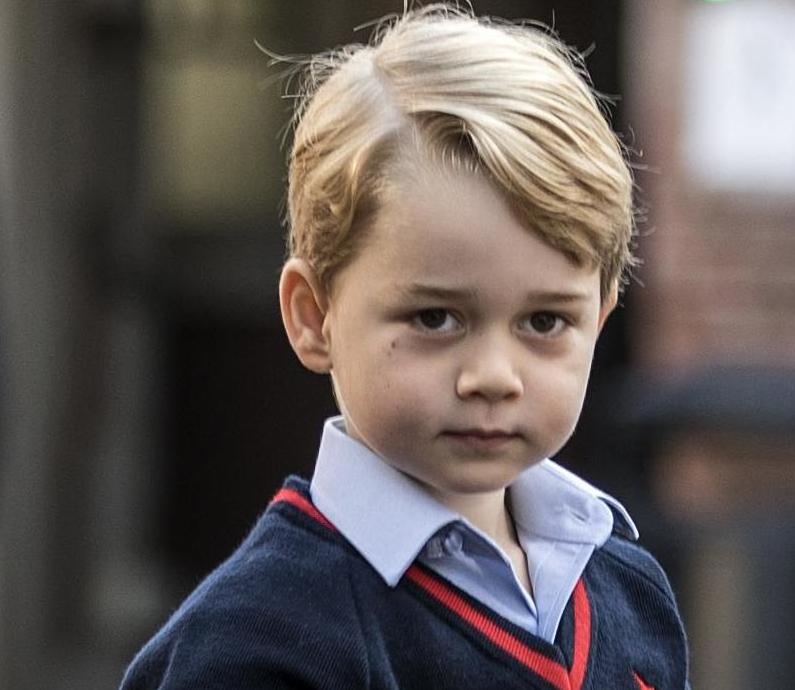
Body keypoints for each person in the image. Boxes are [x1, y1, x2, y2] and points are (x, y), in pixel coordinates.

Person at [120, 5, 689, 689]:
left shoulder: (631, 591)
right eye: (436, 318)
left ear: (598, 321)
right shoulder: (258, 640)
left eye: (543, 323)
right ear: (313, 315)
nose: (492, 376)